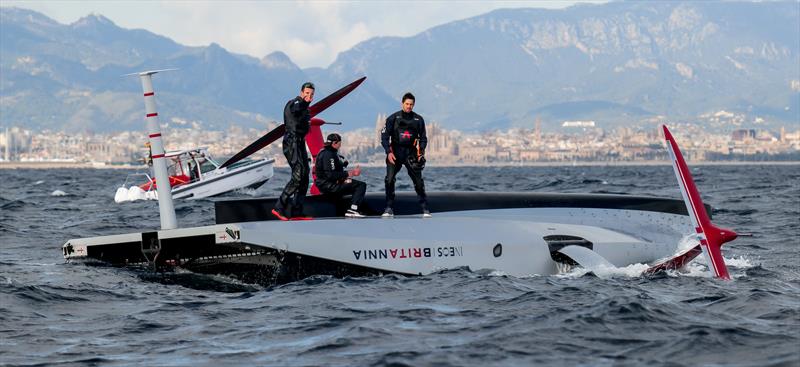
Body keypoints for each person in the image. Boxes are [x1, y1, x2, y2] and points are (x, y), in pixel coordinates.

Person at [381, 92, 430, 218]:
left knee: (418, 182)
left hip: (411, 153)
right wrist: (388, 152)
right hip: (395, 152)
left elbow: (423, 138)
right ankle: (389, 207)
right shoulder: (393, 118)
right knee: (389, 179)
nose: (409, 106)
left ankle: (425, 208)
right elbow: (384, 137)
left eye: (411, 104)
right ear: (402, 103)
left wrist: (421, 152)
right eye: (407, 104)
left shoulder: (419, 119)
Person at [272, 82, 315, 221]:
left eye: (311, 94)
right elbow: (297, 109)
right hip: (292, 142)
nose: (309, 96)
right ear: (302, 92)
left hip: (300, 143)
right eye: (307, 93)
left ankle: (296, 211)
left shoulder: (306, 109)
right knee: (298, 176)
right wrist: (304, 102)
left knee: (305, 176)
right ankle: (279, 206)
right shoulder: (296, 102)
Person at [314, 133, 367, 218]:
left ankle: (349, 207)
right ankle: (353, 210)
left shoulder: (325, 152)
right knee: (360, 185)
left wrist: (343, 172)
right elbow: (330, 175)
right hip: (330, 186)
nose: (340, 146)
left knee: (352, 183)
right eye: (339, 144)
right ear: (334, 143)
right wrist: (351, 173)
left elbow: (331, 171)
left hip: (326, 184)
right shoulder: (329, 154)